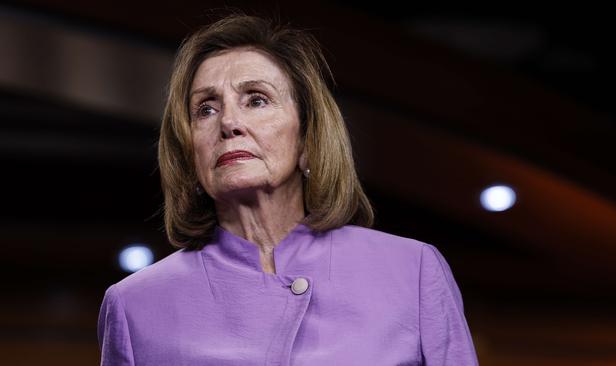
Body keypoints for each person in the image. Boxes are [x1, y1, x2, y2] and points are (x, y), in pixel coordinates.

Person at [97, 14, 479, 366]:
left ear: (307, 140)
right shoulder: (134, 306)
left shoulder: (412, 271)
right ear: (189, 150)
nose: (229, 122)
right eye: (206, 109)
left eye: (256, 100)